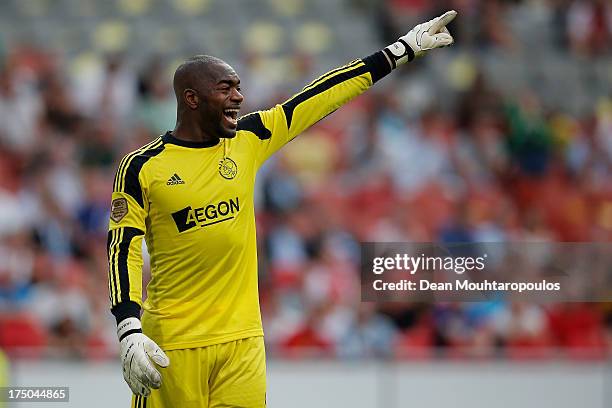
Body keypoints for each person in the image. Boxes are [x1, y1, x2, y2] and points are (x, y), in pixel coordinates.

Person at [107, 10, 457, 408]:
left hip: (243, 343)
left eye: (238, 88)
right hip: (173, 343)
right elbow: (123, 247)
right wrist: (128, 327)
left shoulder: (249, 139)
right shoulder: (143, 166)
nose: (239, 97)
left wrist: (401, 50)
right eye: (226, 89)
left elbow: (318, 97)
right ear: (192, 98)